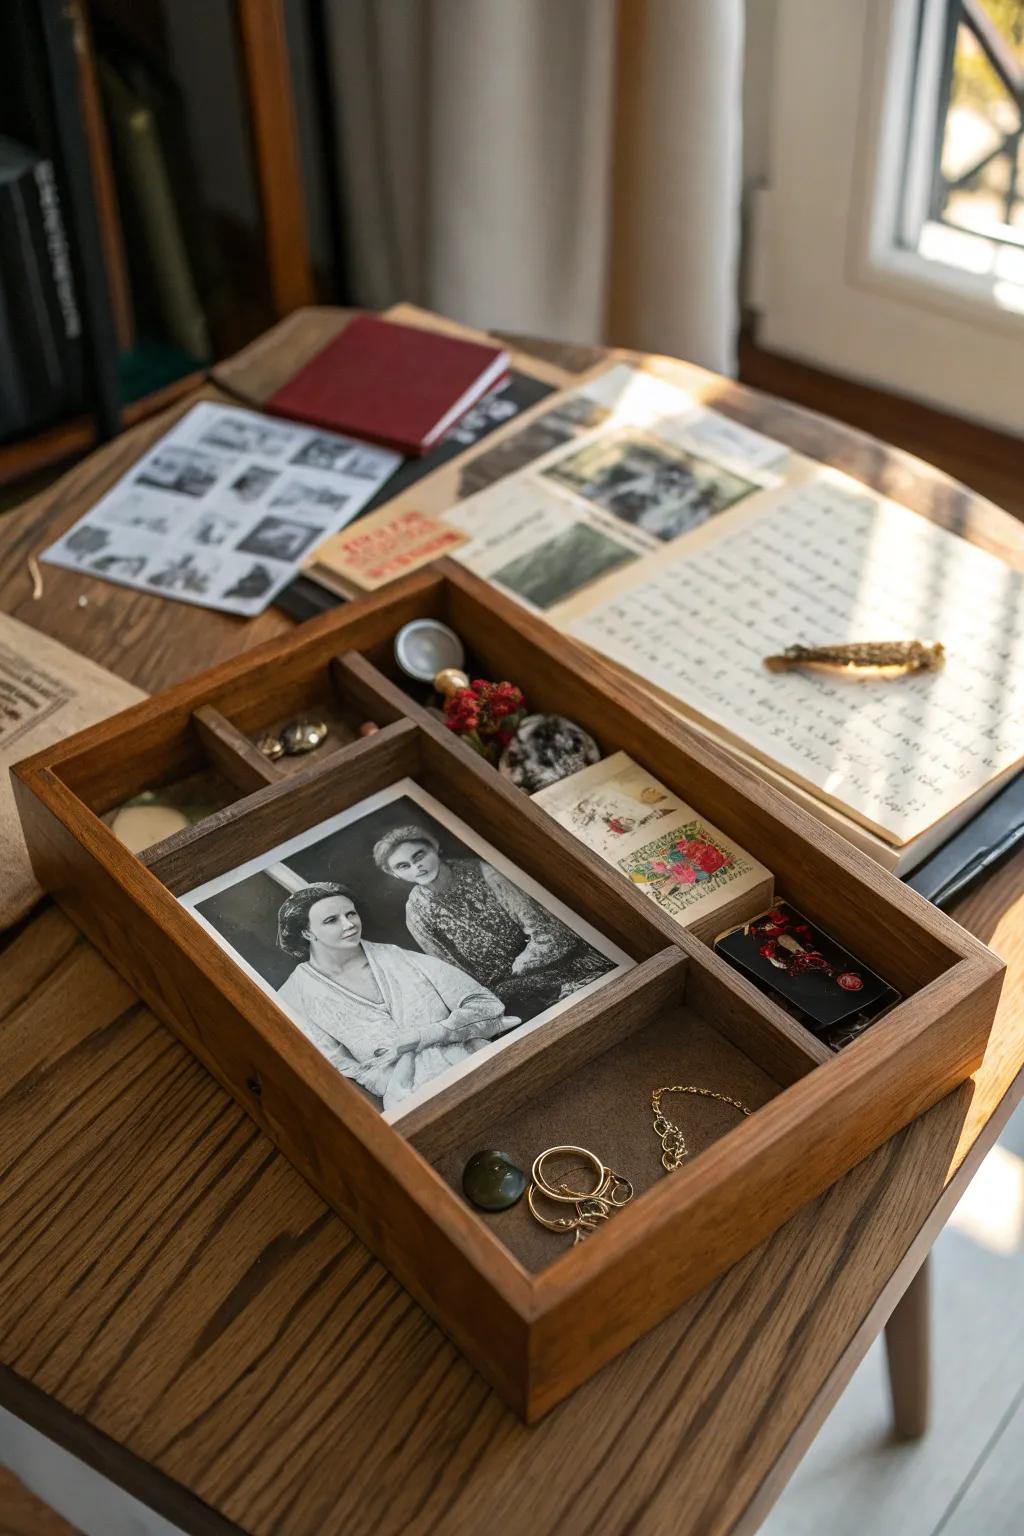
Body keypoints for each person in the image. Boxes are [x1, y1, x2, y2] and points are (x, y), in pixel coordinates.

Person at [275, 882, 510, 1112]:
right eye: (331, 920)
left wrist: (433, 1033)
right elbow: (338, 1072)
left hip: (483, 1069)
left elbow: (485, 1003)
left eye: (350, 914)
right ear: (307, 932)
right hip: (413, 1106)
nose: (349, 924)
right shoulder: (294, 998)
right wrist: (394, 1083)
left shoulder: (396, 957)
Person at [371, 825, 613, 1017]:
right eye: (403, 866)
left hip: (554, 966)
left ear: (434, 847)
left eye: (420, 855)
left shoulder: (485, 873)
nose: (417, 867)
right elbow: (452, 974)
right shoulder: (416, 913)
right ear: (394, 874)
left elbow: (547, 932)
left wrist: (521, 970)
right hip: (502, 996)